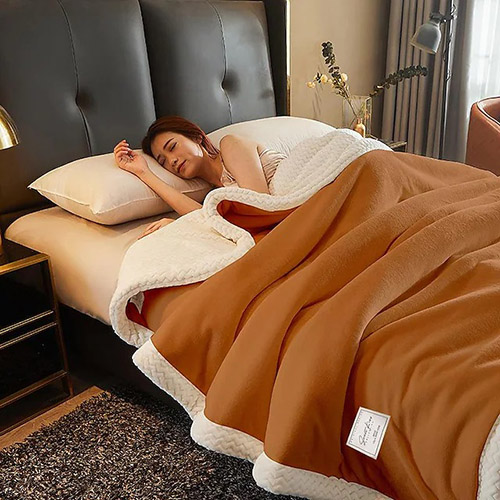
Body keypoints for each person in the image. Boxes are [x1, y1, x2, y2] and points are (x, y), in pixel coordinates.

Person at [113, 116, 287, 239]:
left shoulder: (230, 145)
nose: (172, 161)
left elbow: (261, 209)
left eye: (172, 147)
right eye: (163, 161)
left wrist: (185, 225)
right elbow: (212, 221)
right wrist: (143, 172)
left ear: (196, 137)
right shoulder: (215, 197)